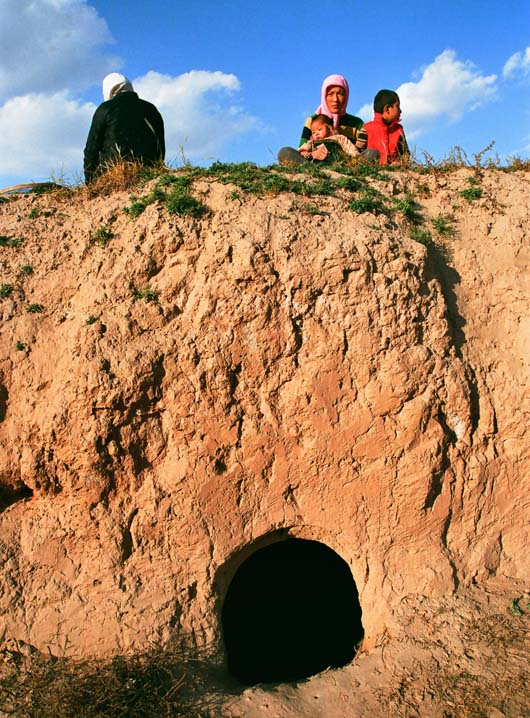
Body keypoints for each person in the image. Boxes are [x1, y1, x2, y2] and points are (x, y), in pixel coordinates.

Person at [278, 74, 377, 166]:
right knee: (285, 152)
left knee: (372, 153)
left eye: (340, 94)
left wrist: (346, 157)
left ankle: (345, 172)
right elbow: (302, 149)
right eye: (330, 94)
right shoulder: (312, 120)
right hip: (314, 162)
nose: (335, 99)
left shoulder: (357, 123)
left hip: (346, 164)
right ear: (324, 96)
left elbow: (361, 151)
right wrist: (313, 153)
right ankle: (314, 171)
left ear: (346, 96)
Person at [84, 72, 165, 183]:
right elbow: (160, 148)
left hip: (111, 175)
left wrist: (90, 182)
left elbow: (91, 150)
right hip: (149, 173)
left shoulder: (105, 109)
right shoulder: (151, 109)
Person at [362, 89, 409, 166]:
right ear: (387, 109)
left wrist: (400, 163)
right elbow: (358, 155)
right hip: (370, 170)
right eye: (397, 106)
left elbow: (405, 155)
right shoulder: (366, 129)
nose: (400, 111)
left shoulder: (399, 130)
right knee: (371, 153)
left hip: (394, 172)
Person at [298, 114, 362, 161]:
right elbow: (303, 148)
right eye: (313, 132)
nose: (316, 134)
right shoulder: (312, 142)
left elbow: (348, 146)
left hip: (337, 162)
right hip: (318, 164)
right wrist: (304, 152)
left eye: (320, 129)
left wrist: (356, 157)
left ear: (329, 128)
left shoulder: (338, 138)